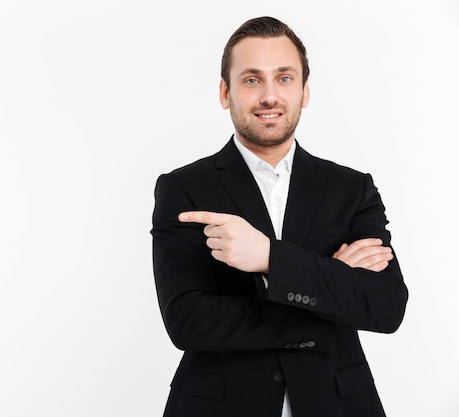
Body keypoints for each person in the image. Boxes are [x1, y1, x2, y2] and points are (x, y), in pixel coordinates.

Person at [150, 16, 408, 417]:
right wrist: (329, 288)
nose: (269, 96)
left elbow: (386, 306)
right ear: (225, 92)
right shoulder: (183, 188)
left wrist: (270, 257)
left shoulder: (352, 188)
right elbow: (188, 322)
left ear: (304, 91)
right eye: (251, 80)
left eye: (284, 78)